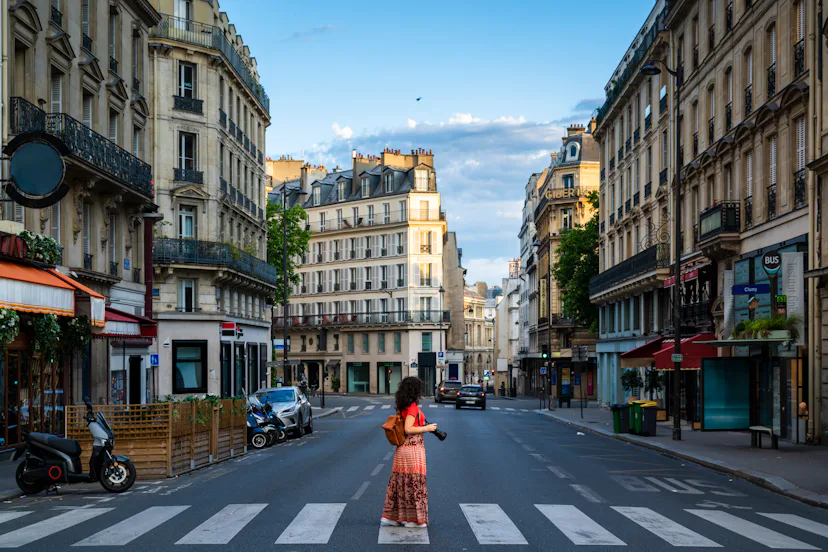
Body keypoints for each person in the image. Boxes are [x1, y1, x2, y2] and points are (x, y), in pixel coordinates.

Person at [381, 376, 437, 528]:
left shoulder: (402, 405)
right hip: (413, 449)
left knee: (400, 483)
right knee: (415, 484)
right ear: (415, 391)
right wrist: (427, 428)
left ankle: (392, 517)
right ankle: (414, 520)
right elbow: (408, 429)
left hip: (402, 449)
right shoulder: (412, 407)